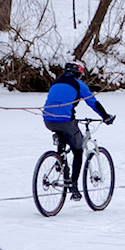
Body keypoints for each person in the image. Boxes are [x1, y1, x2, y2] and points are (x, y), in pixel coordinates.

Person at [43, 61, 115, 200]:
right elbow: (92, 102)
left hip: (48, 120)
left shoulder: (56, 83)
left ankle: (61, 162)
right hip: (65, 121)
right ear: (78, 74)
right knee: (77, 150)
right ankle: (73, 185)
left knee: (63, 137)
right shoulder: (78, 84)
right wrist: (105, 116)